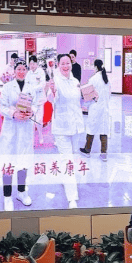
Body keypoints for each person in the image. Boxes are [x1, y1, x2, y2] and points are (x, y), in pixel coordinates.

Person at [0, 60, 42, 211]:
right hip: (11, 128)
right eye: (19, 69)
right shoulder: (8, 87)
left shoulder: (31, 87)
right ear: (14, 71)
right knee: (8, 162)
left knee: (24, 161)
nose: (21, 72)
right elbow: (1, 107)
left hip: (25, 128)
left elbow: (35, 104)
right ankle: (7, 196)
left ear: (27, 71)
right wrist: (13, 113)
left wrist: (31, 112)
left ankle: (21, 192)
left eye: (24, 69)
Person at [48, 53, 84, 209]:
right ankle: (72, 197)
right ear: (58, 65)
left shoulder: (75, 81)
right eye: (62, 63)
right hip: (62, 127)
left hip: (76, 126)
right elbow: (51, 99)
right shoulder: (55, 81)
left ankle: (66, 179)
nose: (65, 66)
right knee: (67, 160)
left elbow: (78, 101)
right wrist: (52, 91)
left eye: (67, 63)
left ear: (71, 64)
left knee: (73, 157)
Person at [80, 59, 111, 160]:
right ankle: (104, 153)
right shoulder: (106, 79)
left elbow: (88, 95)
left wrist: (86, 104)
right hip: (105, 108)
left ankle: (87, 150)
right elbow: (109, 95)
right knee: (104, 130)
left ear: (96, 67)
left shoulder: (93, 79)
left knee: (91, 128)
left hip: (95, 108)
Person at [26, 55, 48, 144]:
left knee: (39, 120)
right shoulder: (28, 73)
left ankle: (40, 135)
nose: (32, 66)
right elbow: (26, 84)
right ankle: (31, 139)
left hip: (39, 99)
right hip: (31, 100)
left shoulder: (41, 72)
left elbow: (43, 84)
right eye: (30, 64)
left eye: (33, 64)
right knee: (31, 120)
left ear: (36, 64)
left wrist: (33, 89)